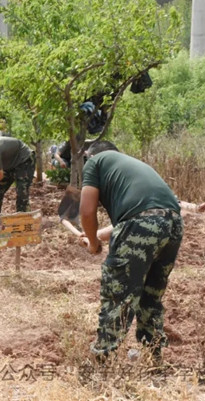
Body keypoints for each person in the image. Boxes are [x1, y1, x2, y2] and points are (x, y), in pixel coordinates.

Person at [79, 140, 183, 363]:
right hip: (173, 223)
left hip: (139, 223)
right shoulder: (130, 166)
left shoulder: (94, 162)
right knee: (150, 295)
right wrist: (95, 235)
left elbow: (86, 212)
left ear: (90, 155)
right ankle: (153, 358)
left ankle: (102, 361)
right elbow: (143, 216)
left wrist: (93, 243)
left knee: (118, 295)